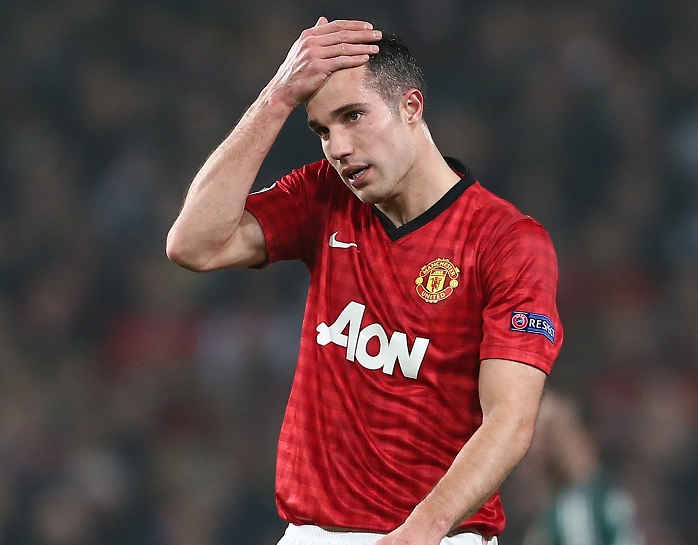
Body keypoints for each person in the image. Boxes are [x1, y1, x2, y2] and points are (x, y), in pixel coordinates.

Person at [167, 16, 563, 545]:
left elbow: (510, 420)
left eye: (353, 116)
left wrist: (423, 529)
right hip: (309, 533)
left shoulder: (507, 241)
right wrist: (278, 97)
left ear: (411, 107)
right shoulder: (323, 196)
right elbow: (193, 244)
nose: (339, 146)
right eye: (322, 131)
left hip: (435, 536)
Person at [523, 391, 643, 545]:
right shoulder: (554, 502)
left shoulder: (592, 503)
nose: (549, 446)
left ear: (587, 437)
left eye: (558, 433)